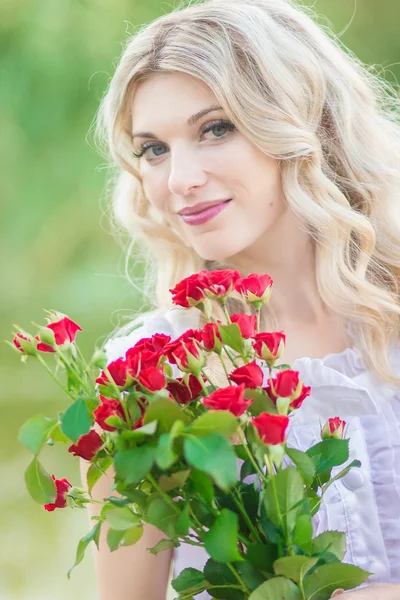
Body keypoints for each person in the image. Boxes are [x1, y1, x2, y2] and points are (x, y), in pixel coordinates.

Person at [80, 0, 400, 598]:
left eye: (215, 128)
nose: (179, 179)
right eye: (154, 148)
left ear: (306, 124)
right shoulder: (150, 375)